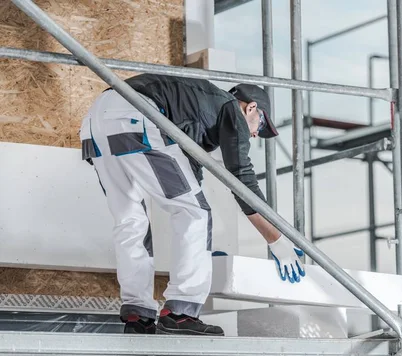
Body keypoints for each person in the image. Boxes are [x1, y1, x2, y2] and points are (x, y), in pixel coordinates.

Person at [79, 74, 306, 335]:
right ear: (251, 107)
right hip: (136, 112)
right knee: (194, 213)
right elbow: (241, 178)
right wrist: (277, 241)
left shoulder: (197, 109)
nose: (255, 134)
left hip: (96, 122)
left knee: (131, 220)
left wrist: (205, 251)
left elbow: (190, 181)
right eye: (260, 125)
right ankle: (181, 312)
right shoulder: (229, 107)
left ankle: (137, 313)